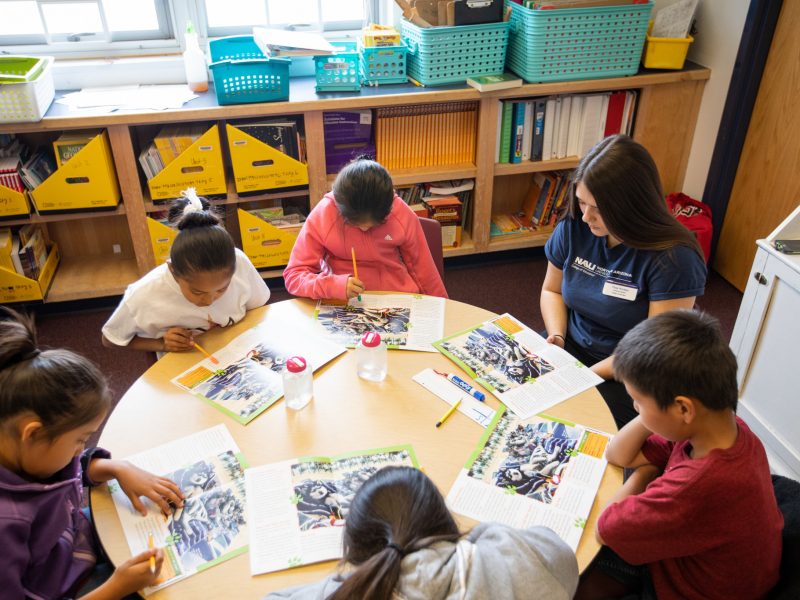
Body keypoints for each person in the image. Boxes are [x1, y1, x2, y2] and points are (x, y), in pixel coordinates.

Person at [576, 310, 783, 600]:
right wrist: (648, 417)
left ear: (684, 409)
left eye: (638, 402)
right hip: (702, 560)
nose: (634, 409)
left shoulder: (698, 483)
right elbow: (617, 454)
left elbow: (606, 529)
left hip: (686, 589)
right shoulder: (728, 429)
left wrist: (647, 473)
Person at [0, 307, 186, 599]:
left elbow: (62, 470)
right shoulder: (8, 524)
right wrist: (117, 588)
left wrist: (116, 468)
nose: (80, 450)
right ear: (33, 433)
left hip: (75, 543)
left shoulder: (24, 452)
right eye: (80, 439)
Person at [540, 135, 707, 428]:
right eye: (581, 202)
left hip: (632, 369)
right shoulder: (574, 227)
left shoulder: (674, 258)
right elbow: (551, 290)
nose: (587, 216)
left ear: (632, 206)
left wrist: (586, 375)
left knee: (572, 427)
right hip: (571, 345)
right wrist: (557, 336)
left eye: (599, 208)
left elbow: (654, 348)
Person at [266, 465, 578, 600]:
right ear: (444, 521)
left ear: (356, 551)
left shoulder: (342, 591)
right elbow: (563, 559)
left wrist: (347, 582)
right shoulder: (522, 556)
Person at [102, 188, 270, 354]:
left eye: (221, 289)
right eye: (197, 292)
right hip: (185, 365)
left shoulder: (239, 262)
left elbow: (258, 309)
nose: (209, 300)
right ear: (173, 271)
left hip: (240, 352)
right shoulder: (143, 294)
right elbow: (109, 339)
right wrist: (161, 344)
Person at [283, 158, 447, 300]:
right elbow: (294, 276)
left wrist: (444, 309)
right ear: (340, 209)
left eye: (374, 224)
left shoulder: (400, 212)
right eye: (354, 223)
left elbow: (423, 269)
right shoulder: (324, 213)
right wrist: (334, 286)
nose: (363, 229)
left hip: (397, 298)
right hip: (341, 301)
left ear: (389, 208)